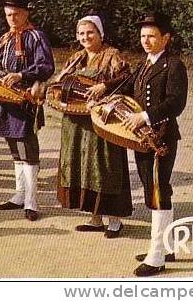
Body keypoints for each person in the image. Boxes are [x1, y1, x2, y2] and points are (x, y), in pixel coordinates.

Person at [121, 12, 188, 277]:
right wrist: (104, 89)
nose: (146, 41)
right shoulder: (144, 64)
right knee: (152, 188)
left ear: (166, 38)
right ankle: (166, 246)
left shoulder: (173, 66)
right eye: (143, 36)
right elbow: (125, 86)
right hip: (143, 138)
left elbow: (176, 102)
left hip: (162, 137)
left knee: (159, 190)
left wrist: (144, 116)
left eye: (151, 36)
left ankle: (157, 256)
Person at [56, 15, 132, 237]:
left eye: (90, 32)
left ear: (100, 33)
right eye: (81, 33)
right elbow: (60, 82)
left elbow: (127, 78)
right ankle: (95, 218)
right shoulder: (76, 58)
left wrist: (104, 86)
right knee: (83, 166)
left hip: (102, 121)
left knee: (105, 166)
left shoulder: (112, 56)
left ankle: (115, 220)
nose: (85, 37)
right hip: (76, 122)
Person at [0, 0, 54, 221]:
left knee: (27, 148)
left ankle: (32, 200)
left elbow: (46, 66)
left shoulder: (35, 36)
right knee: (14, 149)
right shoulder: (6, 38)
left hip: (24, 101)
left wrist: (22, 74)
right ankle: (20, 194)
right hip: (4, 100)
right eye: (8, 15)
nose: (12, 18)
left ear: (26, 13)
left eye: (16, 14)